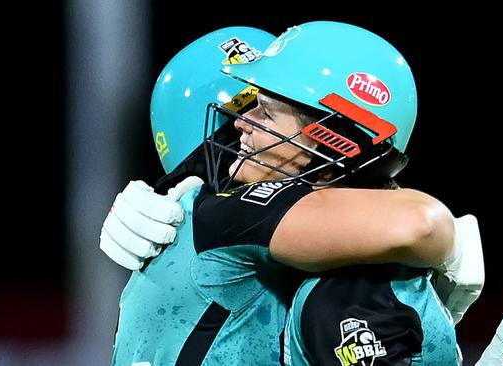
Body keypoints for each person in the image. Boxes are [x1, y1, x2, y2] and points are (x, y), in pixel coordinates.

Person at [102, 22, 482, 366]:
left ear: (333, 140)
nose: (240, 124)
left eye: (263, 112)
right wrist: (453, 246)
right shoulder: (231, 217)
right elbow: (422, 224)